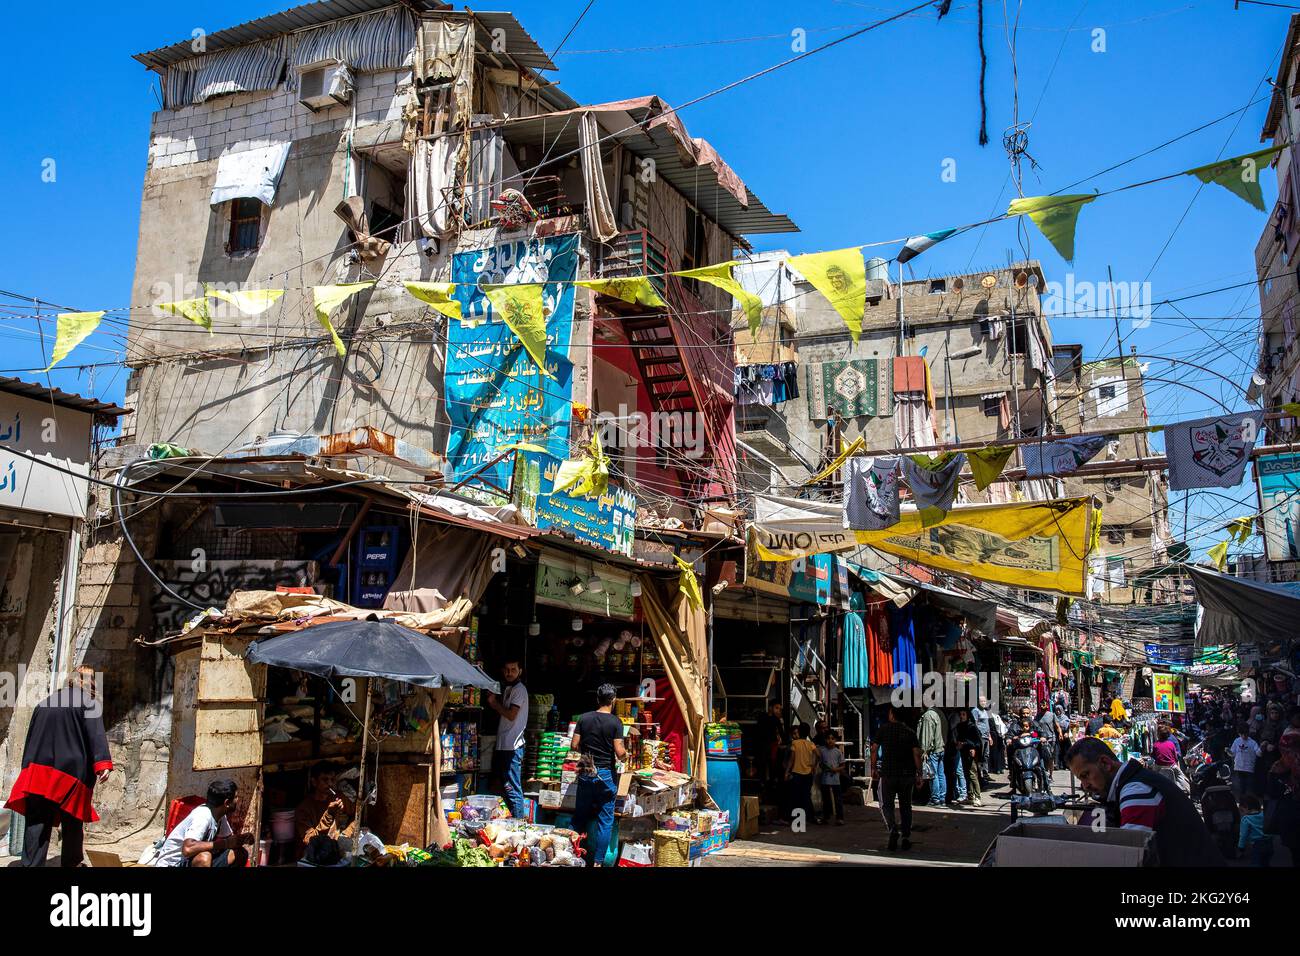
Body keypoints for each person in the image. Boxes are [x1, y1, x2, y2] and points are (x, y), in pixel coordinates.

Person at [5, 666, 111, 867]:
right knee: (72, 822)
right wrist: (102, 764)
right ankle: (71, 864)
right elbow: (95, 735)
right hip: (69, 774)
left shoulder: (44, 703)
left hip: (37, 772)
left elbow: (31, 739)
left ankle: (31, 864)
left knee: (37, 822)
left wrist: (26, 767)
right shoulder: (89, 703)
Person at [1066, 738, 1223, 867]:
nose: (1085, 786)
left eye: (1086, 775)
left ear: (1106, 763)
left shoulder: (1136, 790)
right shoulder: (1133, 781)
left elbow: (1128, 855)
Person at [571, 683, 626, 867]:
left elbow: (574, 745)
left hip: (586, 772)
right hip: (605, 775)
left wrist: (587, 749)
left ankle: (571, 856)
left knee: (579, 817)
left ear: (597, 699)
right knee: (605, 820)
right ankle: (598, 863)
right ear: (613, 700)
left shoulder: (583, 718)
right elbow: (619, 752)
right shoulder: (615, 722)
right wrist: (627, 756)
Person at [155, 778, 255, 867]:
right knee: (204, 858)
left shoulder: (220, 814)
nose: (237, 800)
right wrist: (225, 843)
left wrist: (242, 839)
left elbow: (228, 840)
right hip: (173, 864)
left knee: (240, 853)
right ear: (227, 803)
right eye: (236, 797)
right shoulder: (203, 815)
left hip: (188, 861)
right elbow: (188, 849)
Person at [870, 706, 923, 852]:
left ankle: (893, 829)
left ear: (892, 715)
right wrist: (919, 773)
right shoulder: (910, 732)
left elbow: (874, 749)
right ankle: (906, 836)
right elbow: (916, 754)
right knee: (906, 806)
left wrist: (873, 768)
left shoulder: (883, 730)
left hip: (888, 774)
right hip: (907, 775)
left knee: (887, 805)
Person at [486, 658, 529, 819]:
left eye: (513, 669)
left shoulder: (519, 690)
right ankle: (510, 821)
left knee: (513, 789)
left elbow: (511, 715)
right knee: (504, 787)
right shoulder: (509, 689)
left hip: (512, 747)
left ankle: (519, 825)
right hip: (504, 745)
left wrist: (494, 703)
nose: (509, 673)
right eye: (507, 669)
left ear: (520, 671)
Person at [295, 761, 355, 855]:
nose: (330, 784)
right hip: (313, 854)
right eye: (325, 780)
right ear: (314, 782)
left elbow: (356, 816)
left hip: (334, 850)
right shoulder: (304, 808)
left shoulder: (337, 797)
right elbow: (310, 841)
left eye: (332, 780)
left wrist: (347, 832)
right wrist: (329, 814)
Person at [785, 723, 819, 824]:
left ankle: (797, 820)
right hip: (808, 774)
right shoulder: (811, 744)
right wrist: (814, 766)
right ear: (808, 733)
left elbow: (791, 760)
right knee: (806, 796)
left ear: (799, 732)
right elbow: (819, 755)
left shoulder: (795, 743)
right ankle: (808, 817)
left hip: (796, 773)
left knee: (795, 796)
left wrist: (787, 772)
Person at [918, 704, 948, 807]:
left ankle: (936, 799)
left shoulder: (928, 715)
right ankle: (942, 798)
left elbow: (927, 735)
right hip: (941, 748)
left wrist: (924, 751)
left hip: (933, 750)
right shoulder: (940, 713)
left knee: (933, 775)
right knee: (940, 774)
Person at [954, 710, 983, 807]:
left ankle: (978, 797)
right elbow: (959, 738)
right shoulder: (959, 726)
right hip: (963, 752)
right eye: (960, 714)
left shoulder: (972, 726)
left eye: (963, 714)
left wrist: (974, 748)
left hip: (971, 752)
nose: (961, 716)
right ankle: (970, 796)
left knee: (972, 774)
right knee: (966, 773)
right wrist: (958, 744)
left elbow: (978, 741)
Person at [817, 730, 847, 825]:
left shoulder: (838, 752)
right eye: (828, 738)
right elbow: (820, 763)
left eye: (832, 739)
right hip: (825, 779)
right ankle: (826, 817)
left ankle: (840, 818)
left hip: (835, 779)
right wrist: (824, 768)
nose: (830, 741)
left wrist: (836, 769)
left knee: (838, 799)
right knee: (826, 800)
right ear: (825, 740)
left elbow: (843, 765)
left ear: (835, 740)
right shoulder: (822, 751)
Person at [1151, 724, 1190, 794]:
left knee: (1153, 776)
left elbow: (1153, 756)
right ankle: (1186, 791)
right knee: (1181, 776)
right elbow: (1175, 758)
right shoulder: (1171, 744)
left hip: (1159, 767)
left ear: (1159, 735)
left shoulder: (1155, 744)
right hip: (1171, 766)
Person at [755, 701, 786, 788]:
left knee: (772, 763)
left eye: (780, 709)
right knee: (764, 764)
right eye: (776, 708)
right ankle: (765, 783)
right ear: (770, 708)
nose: (778, 710)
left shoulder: (776, 719)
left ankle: (770, 782)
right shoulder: (763, 717)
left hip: (772, 745)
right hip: (763, 745)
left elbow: (781, 732)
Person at [1237, 795, 1272, 867]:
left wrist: (1241, 846)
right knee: (1266, 863)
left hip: (1257, 845)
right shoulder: (1263, 814)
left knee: (1256, 863)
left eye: (1242, 810)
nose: (1242, 813)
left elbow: (1243, 835)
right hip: (1269, 843)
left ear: (1246, 807)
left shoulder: (1246, 819)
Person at [1229, 724, 1262, 797]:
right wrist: (1228, 751)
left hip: (1249, 768)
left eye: (1245, 734)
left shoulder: (1252, 742)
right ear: (1239, 734)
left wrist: (1262, 748)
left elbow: (1258, 753)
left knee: (1249, 786)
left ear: (1248, 732)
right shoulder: (1237, 741)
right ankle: (1242, 802)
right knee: (1241, 786)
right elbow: (1232, 753)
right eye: (1242, 734)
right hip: (1239, 767)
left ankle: (1249, 801)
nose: (1244, 736)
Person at [970, 697, 993, 786]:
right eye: (981, 701)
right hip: (980, 737)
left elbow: (987, 725)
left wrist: (990, 737)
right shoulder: (975, 711)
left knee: (986, 756)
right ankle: (981, 776)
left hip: (986, 737)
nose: (983, 703)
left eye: (984, 701)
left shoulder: (985, 711)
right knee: (980, 757)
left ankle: (985, 774)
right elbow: (975, 724)